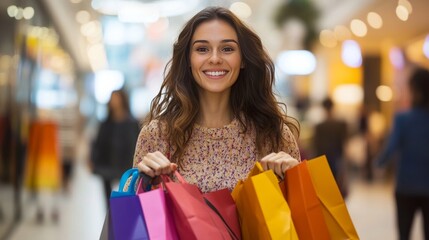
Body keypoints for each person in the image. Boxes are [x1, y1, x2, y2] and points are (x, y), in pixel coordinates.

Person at [132, 6, 301, 193]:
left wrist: (296, 178)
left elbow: (299, 216)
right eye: (202, 49)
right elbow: (137, 217)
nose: (214, 58)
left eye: (227, 49)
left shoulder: (274, 135)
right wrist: (146, 181)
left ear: (243, 59)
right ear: (188, 59)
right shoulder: (157, 136)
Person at [375, 67, 429, 240]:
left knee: (404, 234)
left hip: (406, 185)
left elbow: (391, 146)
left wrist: (378, 164)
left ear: (414, 90)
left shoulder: (402, 118)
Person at [92, 89, 140, 205]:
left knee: (125, 192)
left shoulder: (132, 123)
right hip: (107, 162)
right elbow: (98, 142)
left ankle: (121, 213)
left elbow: (136, 143)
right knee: (107, 196)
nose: (114, 102)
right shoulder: (105, 123)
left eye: (117, 98)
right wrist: (93, 159)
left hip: (125, 163)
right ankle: (111, 214)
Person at [313, 97, 348, 197]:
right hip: (337, 158)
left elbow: (316, 145)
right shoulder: (341, 124)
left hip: (322, 159)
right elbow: (344, 143)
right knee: (337, 185)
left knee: (325, 187)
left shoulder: (319, 126)